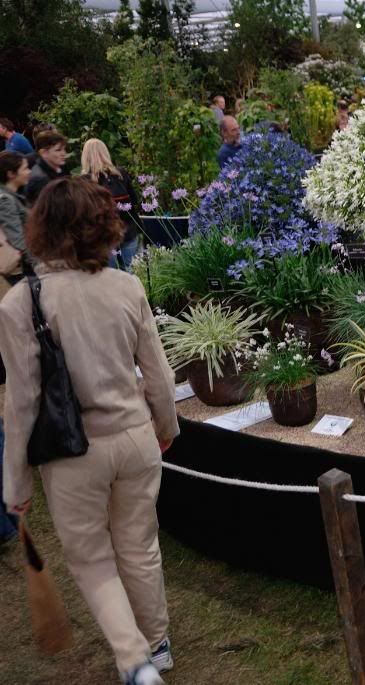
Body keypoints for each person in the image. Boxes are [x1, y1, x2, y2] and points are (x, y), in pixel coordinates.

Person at [0, 177, 179, 685]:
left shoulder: (19, 305)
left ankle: (135, 660)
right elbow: (158, 375)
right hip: (136, 437)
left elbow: (21, 405)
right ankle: (156, 644)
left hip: (72, 454)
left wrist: (16, 485)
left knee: (93, 559)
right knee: (140, 547)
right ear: (102, 226)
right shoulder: (126, 286)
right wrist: (166, 427)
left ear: (40, 229)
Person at [80, 138, 142, 270]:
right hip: (128, 230)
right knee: (130, 270)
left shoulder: (84, 181)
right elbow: (134, 200)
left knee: (109, 273)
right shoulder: (120, 174)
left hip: (103, 236)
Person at [0, 151, 32, 283]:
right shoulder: (5, 201)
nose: (29, 172)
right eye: (25, 168)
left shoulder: (10, 196)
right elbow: (17, 240)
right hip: (22, 269)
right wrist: (39, 264)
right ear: (11, 174)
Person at [25, 130, 68, 205]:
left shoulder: (58, 168)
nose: (64, 153)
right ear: (43, 153)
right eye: (58, 150)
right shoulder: (40, 179)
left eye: (64, 149)